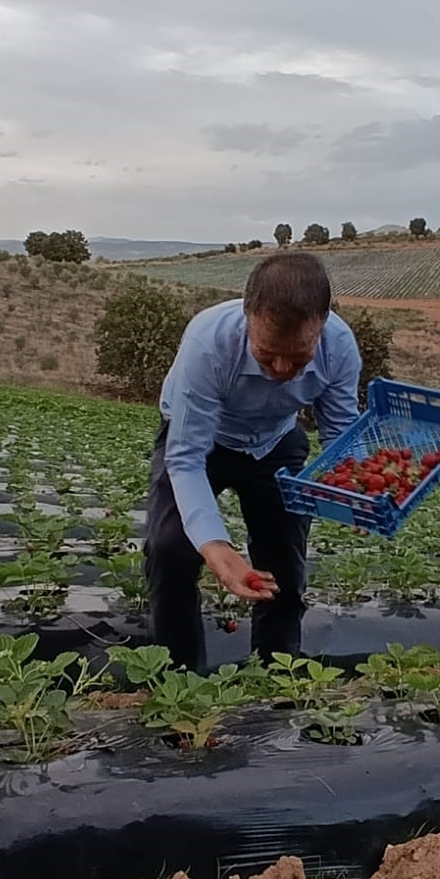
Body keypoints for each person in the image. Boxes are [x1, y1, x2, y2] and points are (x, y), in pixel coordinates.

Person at [147, 251, 362, 670]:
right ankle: (180, 682)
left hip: (275, 440)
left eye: (299, 358)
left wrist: (354, 492)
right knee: (170, 548)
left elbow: (340, 436)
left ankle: (275, 678)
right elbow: (187, 457)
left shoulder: (339, 347)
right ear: (248, 318)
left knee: (284, 562)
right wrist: (214, 544)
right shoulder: (207, 344)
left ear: (320, 326)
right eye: (267, 354)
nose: (282, 369)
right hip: (205, 440)